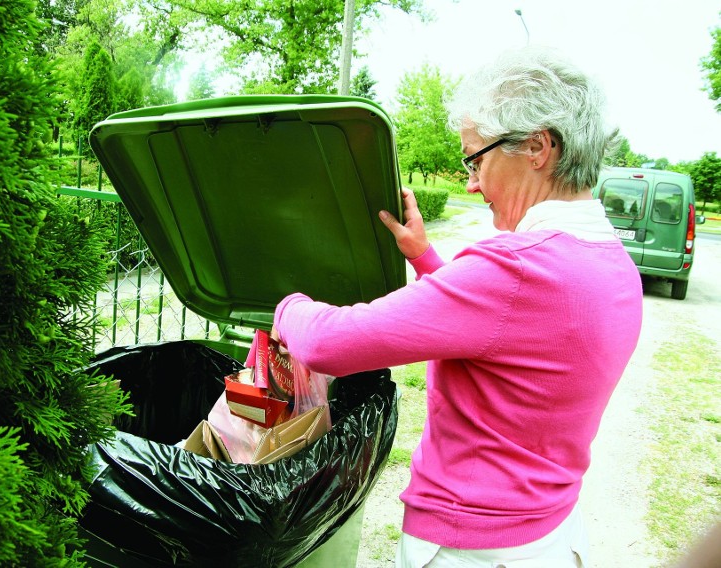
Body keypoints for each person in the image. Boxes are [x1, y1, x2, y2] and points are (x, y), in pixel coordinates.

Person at [271, 46, 643, 567]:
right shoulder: (610, 263)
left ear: (538, 146)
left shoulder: (516, 268)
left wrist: (287, 304)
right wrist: (425, 258)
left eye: (476, 158)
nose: (471, 182)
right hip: (550, 535)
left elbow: (327, 344)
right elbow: (515, 331)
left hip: (471, 546)